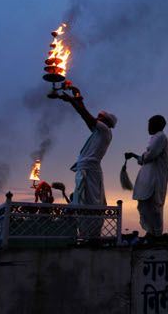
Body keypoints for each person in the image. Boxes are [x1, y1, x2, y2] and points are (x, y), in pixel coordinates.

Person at [58, 89, 116, 236]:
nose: (97, 118)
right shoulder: (99, 131)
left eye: (100, 117)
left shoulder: (104, 130)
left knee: (90, 203)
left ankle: (91, 234)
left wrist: (74, 100)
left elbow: (86, 115)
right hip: (86, 168)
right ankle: (85, 233)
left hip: (90, 169)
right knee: (82, 202)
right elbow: (84, 116)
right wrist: (77, 99)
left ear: (106, 122)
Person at [125, 115, 168, 237]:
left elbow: (150, 155)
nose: (148, 127)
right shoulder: (156, 138)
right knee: (146, 206)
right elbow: (146, 157)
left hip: (155, 178)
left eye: (150, 124)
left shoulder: (161, 137)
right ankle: (151, 231)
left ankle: (156, 234)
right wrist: (135, 156)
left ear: (157, 125)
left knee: (155, 206)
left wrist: (141, 156)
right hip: (149, 178)